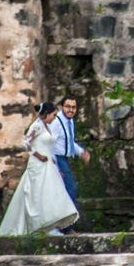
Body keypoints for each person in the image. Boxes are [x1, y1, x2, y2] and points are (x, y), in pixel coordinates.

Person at [0, 102, 79, 236]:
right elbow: (25, 143)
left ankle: (49, 225)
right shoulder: (36, 126)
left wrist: (53, 161)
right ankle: (37, 226)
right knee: (37, 194)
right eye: (53, 115)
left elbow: (49, 146)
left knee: (51, 194)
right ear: (46, 114)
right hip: (38, 164)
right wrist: (38, 155)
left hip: (49, 165)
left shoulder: (48, 127)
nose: (54, 117)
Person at [49, 95, 90, 234]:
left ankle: (63, 225)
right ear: (62, 107)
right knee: (71, 189)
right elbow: (50, 145)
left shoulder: (70, 121)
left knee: (65, 191)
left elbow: (69, 142)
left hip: (65, 159)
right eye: (68, 107)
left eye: (73, 107)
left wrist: (81, 152)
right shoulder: (56, 122)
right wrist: (55, 167)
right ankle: (66, 227)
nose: (71, 110)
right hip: (58, 159)